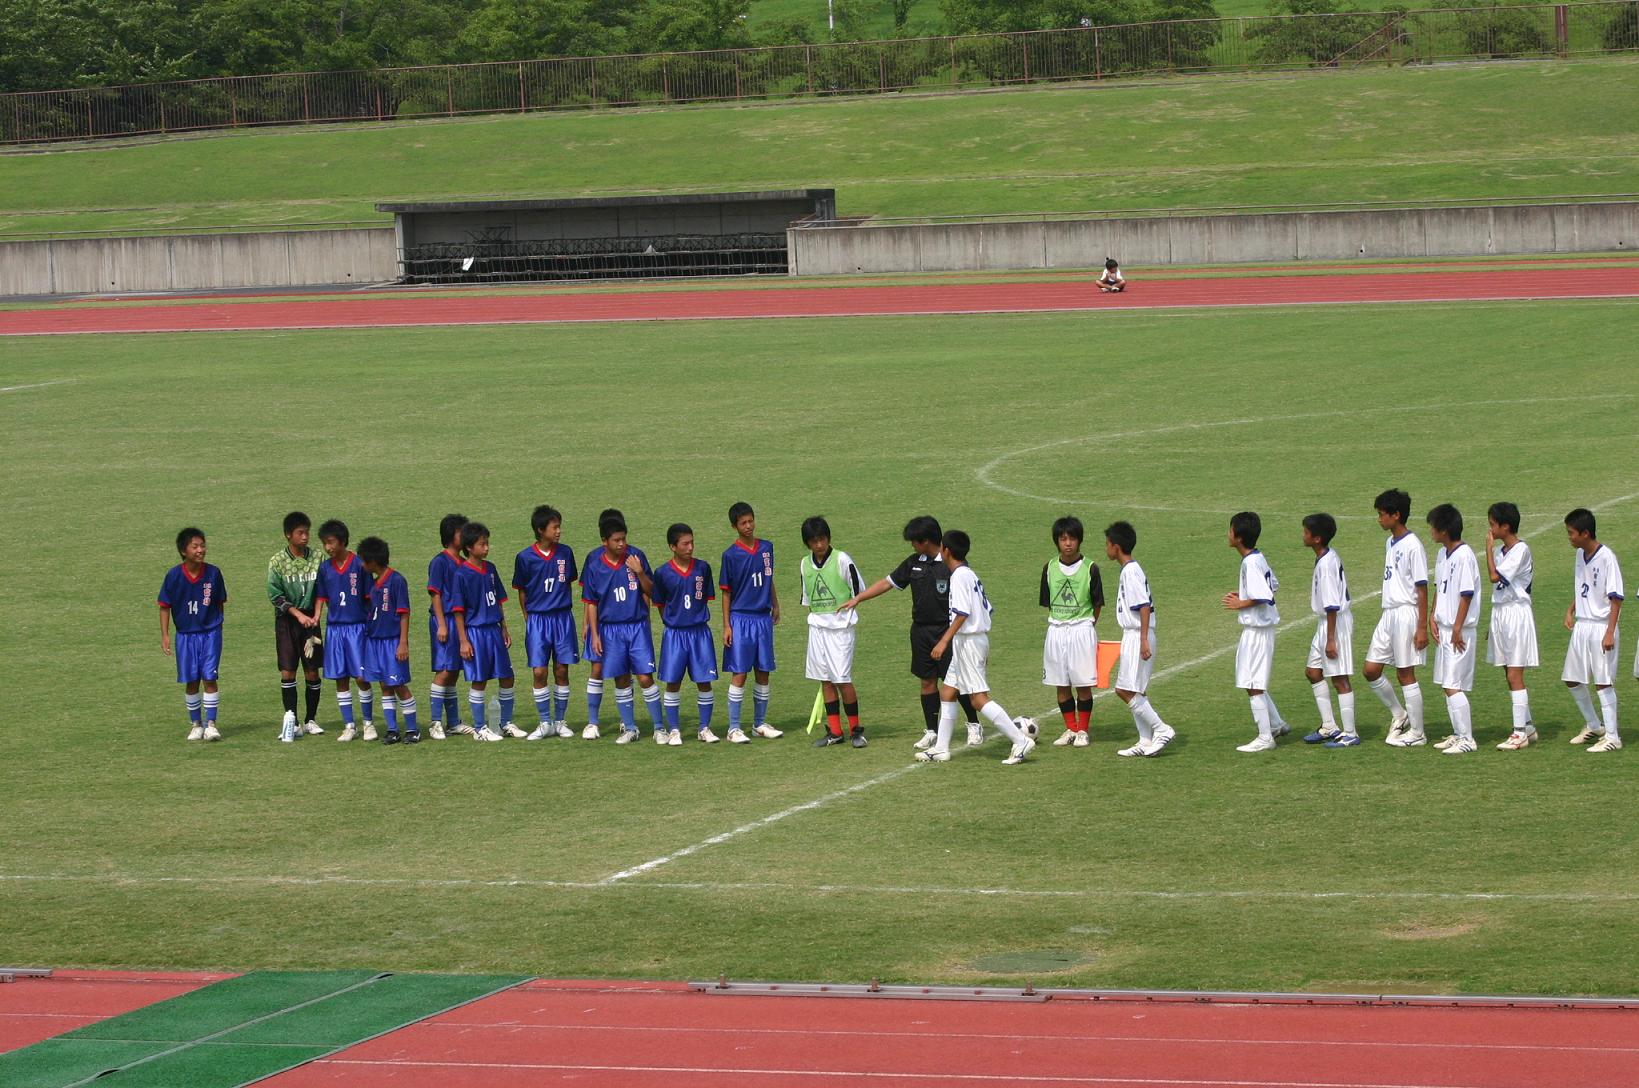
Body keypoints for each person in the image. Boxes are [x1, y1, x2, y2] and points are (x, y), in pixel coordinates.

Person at [842, 515, 983, 751]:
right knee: (927, 681)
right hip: (920, 631)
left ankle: (973, 724)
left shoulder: (952, 565)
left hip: (947, 631)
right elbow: (887, 583)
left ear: (925, 541)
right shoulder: (914, 562)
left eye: (914, 542)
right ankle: (931, 731)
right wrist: (858, 598)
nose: (913, 546)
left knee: (959, 683)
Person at [920, 530, 1036, 766]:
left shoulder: (960, 577)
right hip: (970, 642)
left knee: (978, 699)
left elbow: (963, 614)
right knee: (948, 691)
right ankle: (941, 748)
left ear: (947, 551)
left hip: (969, 641)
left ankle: (1020, 741)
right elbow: (986, 610)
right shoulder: (969, 574)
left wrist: (944, 641)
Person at [583, 514, 667, 745]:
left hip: (637, 626)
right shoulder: (595, 565)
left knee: (644, 677)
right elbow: (591, 602)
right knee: (620, 679)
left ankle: (660, 728)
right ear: (605, 541)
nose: (622, 544)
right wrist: (595, 635)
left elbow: (652, 591)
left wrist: (640, 572)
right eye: (617, 540)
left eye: (624, 539)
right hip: (610, 629)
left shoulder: (636, 556)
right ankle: (630, 728)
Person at [1363, 489, 1429, 747]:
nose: (1379, 519)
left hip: (1406, 613)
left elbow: (1422, 588)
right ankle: (1399, 714)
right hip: (1388, 613)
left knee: (1405, 673)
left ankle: (1418, 732)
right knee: (1370, 670)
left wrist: (1421, 626)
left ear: (1396, 515)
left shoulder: (1413, 546)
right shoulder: (1390, 542)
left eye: (1382, 515)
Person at [1106, 521, 1176, 757]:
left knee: (1124, 690)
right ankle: (1145, 740)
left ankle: (1161, 729)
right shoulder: (1129, 569)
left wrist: (1144, 639)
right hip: (1134, 635)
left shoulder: (1131, 571)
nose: (1106, 548)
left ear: (1116, 546)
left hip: (1138, 635)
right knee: (1137, 690)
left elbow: (1144, 606)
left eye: (1107, 544)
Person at [511, 505, 578, 742]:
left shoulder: (566, 553)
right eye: (554, 527)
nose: (559, 531)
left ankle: (560, 722)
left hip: (562, 618)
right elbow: (522, 591)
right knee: (539, 671)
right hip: (538, 620)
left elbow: (568, 582)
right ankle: (543, 722)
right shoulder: (525, 558)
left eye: (559, 526)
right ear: (541, 530)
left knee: (561, 669)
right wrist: (528, 618)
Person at [799, 516, 867, 748]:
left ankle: (856, 730)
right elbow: (807, 598)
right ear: (807, 543)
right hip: (817, 629)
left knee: (842, 679)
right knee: (825, 680)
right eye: (814, 541)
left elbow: (859, 590)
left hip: (840, 629)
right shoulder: (804, 564)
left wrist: (851, 604)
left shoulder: (841, 559)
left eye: (822, 539)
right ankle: (835, 732)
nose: (819, 544)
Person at [718, 502, 782, 741]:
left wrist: (775, 604)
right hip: (741, 619)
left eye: (750, 521)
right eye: (743, 523)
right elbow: (726, 593)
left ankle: (759, 723)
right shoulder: (730, 555)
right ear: (734, 526)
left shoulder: (767, 548)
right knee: (740, 673)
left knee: (763, 671)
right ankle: (734, 727)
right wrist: (726, 625)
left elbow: (769, 578)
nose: (748, 526)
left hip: (762, 619)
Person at [1223, 511, 1285, 753]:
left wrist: (1242, 602)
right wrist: (1245, 596)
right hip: (1258, 630)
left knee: (1253, 682)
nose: (1227, 534)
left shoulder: (1250, 562)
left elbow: (1264, 596)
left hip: (1258, 631)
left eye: (1230, 530)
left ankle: (1264, 737)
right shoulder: (1258, 558)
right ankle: (1276, 724)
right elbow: (1272, 585)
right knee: (1252, 680)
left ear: (1238, 537)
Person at [652, 523, 720, 743]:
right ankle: (674, 730)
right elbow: (660, 603)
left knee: (704, 681)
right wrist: (672, 621)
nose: (690, 547)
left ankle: (704, 728)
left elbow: (705, 598)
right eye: (685, 543)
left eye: (692, 542)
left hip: (700, 633)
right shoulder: (662, 573)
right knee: (673, 682)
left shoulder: (703, 568)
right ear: (673, 546)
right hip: (675, 635)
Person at [1039, 515, 1103, 748]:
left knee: (1082, 683)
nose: (1067, 543)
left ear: (1079, 541)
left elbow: (1097, 604)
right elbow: (1048, 602)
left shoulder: (1090, 568)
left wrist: (1086, 627)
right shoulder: (1049, 568)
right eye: (1063, 539)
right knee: (1061, 684)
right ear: (1056, 541)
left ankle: (1083, 731)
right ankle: (1071, 728)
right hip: (1056, 629)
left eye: (1072, 538)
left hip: (1081, 629)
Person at [1562, 508, 1622, 753]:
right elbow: (1585, 586)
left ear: (1585, 533)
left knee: (1603, 682)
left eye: (1572, 533)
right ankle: (1594, 725)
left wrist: (1610, 632)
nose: (1569, 537)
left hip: (1600, 627)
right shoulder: (1579, 554)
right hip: (1582, 625)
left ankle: (1612, 736)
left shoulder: (1607, 557)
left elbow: (1615, 597)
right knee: (1572, 679)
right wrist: (1571, 608)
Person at [159, 527, 227, 741]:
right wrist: (166, 635)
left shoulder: (214, 573)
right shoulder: (173, 576)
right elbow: (164, 606)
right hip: (186, 635)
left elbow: (219, 603)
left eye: (202, 545)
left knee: (209, 676)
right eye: (195, 546)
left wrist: (218, 628)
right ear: (183, 551)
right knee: (191, 680)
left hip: (210, 633)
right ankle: (196, 724)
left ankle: (211, 724)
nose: (201, 550)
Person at [451, 521, 515, 742]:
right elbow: (458, 611)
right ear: (469, 547)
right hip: (475, 633)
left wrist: (504, 628)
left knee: (507, 676)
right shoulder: (461, 575)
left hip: (494, 631)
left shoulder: (491, 569)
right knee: (479, 680)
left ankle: (505, 723)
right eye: (482, 544)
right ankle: (479, 728)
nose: (486, 548)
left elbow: (498, 601)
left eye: (487, 543)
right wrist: (463, 640)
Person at [1299, 513, 1359, 748]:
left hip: (1335, 623)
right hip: (1326, 623)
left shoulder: (1326, 565)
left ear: (1316, 538)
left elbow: (1332, 604)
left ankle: (1350, 732)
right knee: (1313, 672)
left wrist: (1331, 639)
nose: (1302, 535)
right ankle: (1329, 726)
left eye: (1306, 532)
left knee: (1339, 677)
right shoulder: (1325, 557)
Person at [1426, 504, 1482, 755]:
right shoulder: (1442, 554)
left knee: (1453, 684)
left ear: (1445, 529)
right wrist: (1432, 615)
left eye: (1433, 527)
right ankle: (1458, 733)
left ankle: (1467, 739)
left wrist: (1457, 627)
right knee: (1446, 683)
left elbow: (1466, 594)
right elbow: (1440, 586)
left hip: (1459, 631)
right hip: (1446, 626)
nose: (1431, 531)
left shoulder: (1464, 556)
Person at [1484, 502, 1539, 750]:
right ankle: (1527, 726)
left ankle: (1519, 734)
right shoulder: (1502, 552)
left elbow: (1495, 577)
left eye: (1493, 524)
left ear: (1505, 526)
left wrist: (1487, 548)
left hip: (1516, 614)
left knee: (1515, 674)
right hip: (1501, 613)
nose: (1490, 529)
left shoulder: (1520, 550)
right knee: (1507, 672)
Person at [315, 519, 375, 743]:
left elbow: (370, 597)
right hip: (335, 629)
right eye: (325, 544)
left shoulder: (360, 565)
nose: (328, 548)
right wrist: (316, 618)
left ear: (342, 541)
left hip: (358, 627)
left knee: (361, 676)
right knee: (340, 677)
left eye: (331, 542)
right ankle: (349, 725)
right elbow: (321, 596)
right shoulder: (324, 568)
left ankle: (368, 723)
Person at [268, 510, 324, 740]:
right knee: (288, 670)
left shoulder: (317, 558)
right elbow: (275, 595)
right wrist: (298, 615)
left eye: (307, 532)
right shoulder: (278, 562)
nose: (305, 537)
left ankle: (311, 720)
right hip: (288, 622)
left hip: (312, 620)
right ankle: (292, 721)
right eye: (300, 533)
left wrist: (317, 615)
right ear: (288, 535)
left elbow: (323, 589)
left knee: (312, 670)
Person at [358, 536, 418, 744]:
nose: (362, 565)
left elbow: (404, 612)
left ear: (372, 561)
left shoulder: (397, 581)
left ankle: (412, 729)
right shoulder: (373, 584)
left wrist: (403, 642)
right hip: (375, 642)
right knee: (384, 685)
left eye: (364, 561)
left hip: (392, 641)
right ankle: (392, 729)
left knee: (399, 684)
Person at [426, 513, 469, 740]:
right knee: (443, 670)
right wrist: (442, 625)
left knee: (453, 670)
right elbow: (436, 594)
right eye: (463, 532)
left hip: (459, 621)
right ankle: (435, 722)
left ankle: (453, 722)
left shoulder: (464, 562)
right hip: (444, 621)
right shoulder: (440, 562)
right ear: (452, 535)